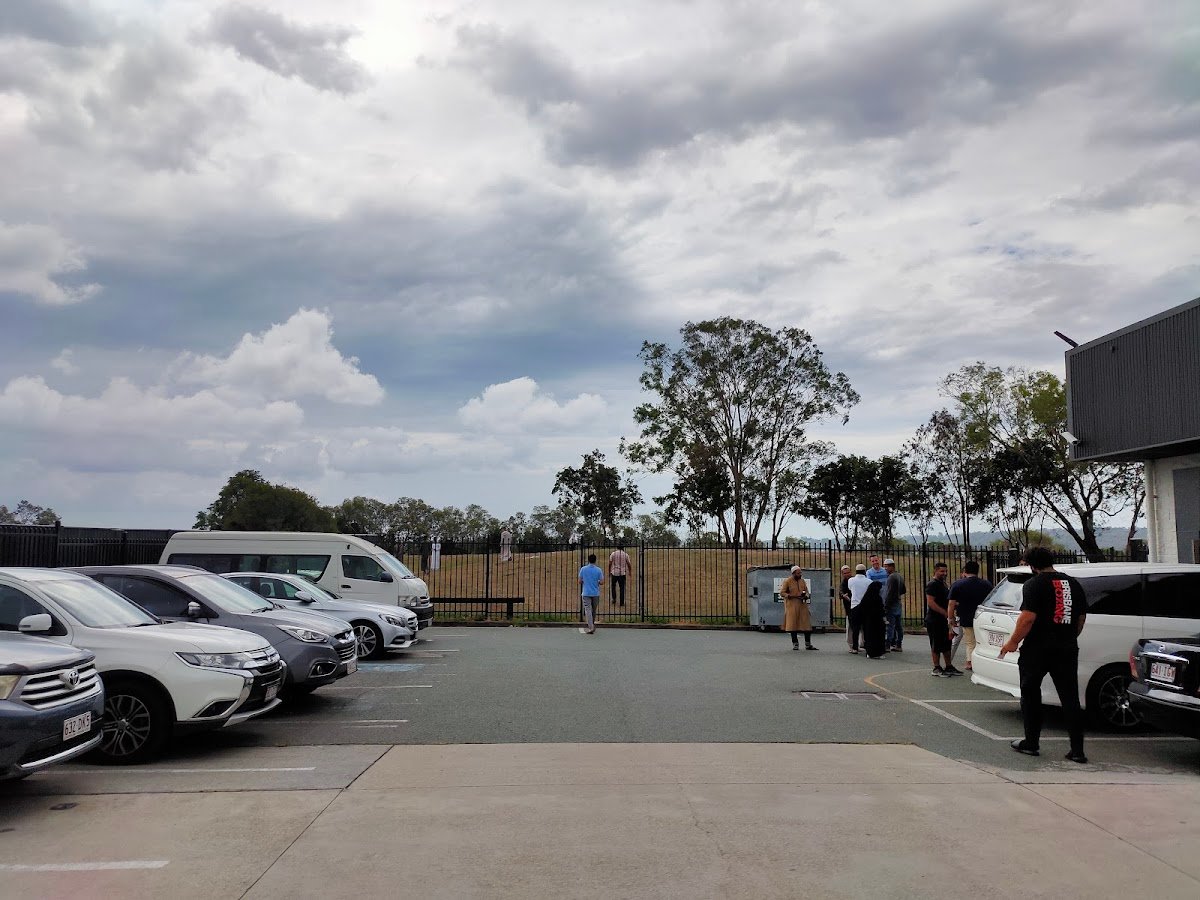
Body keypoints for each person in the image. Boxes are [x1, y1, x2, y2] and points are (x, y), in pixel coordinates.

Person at [1000, 546, 1088, 763]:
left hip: (1037, 648)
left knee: (1030, 694)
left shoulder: (1034, 585)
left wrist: (1012, 642)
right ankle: (1077, 750)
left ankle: (1031, 742)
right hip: (1067, 648)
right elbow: (1080, 618)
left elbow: (1027, 618)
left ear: (1031, 565)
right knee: (1070, 698)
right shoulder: (1073, 583)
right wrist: (1067, 636)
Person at [947, 559, 992, 672]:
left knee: (970, 641)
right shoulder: (986, 584)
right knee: (980, 640)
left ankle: (970, 661)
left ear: (965, 570)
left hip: (966, 616)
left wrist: (950, 618)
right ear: (978, 570)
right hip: (982, 616)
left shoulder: (958, 584)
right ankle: (979, 661)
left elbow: (951, 603)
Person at [925, 562, 961, 676]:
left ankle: (949, 666)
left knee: (947, 643)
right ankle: (936, 667)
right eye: (942, 571)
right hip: (934, 619)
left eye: (946, 571)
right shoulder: (932, 584)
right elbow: (931, 602)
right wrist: (944, 613)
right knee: (936, 643)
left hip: (944, 620)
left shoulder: (944, 584)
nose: (944, 573)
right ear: (935, 571)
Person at [779, 565, 817, 650]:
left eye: (800, 572)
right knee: (793, 626)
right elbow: (782, 592)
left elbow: (806, 592)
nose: (800, 574)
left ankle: (808, 644)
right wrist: (789, 596)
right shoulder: (787, 581)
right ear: (793, 573)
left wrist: (806, 596)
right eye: (798, 573)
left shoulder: (802, 581)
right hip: (792, 606)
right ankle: (795, 644)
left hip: (802, 605)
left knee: (807, 625)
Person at [882, 558, 906, 652]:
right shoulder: (899, 576)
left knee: (890, 626)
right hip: (898, 603)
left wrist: (886, 606)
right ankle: (898, 644)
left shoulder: (891, 577)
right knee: (899, 626)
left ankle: (887, 645)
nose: (885, 569)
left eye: (886, 566)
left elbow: (889, 593)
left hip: (891, 604)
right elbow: (904, 590)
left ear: (891, 566)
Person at [846, 564, 871, 654]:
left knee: (855, 628)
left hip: (854, 606)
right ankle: (867, 646)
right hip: (865, 607)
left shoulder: (851, 580)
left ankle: (855, 648)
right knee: (865, 628)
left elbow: (849, 589)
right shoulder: (869, 581)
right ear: (864, 571)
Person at [860, 580, 887, 658]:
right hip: (878, 621)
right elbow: (881, 609)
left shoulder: (866, 597)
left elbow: (862, 608)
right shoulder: (878, 598)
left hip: (868, 621)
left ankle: (869, 652)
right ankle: (879, 653)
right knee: (879, 637)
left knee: (869, 637)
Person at [578, 553, 604, 635]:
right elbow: (602, 582)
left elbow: (579, 581)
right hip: (595, 593)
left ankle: (591, 626)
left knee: (588, 609)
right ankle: (592, 624)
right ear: (595, 560)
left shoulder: (583, 569)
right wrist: (598, 582)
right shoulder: (598, 570)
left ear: (588, 560)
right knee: (593, 610)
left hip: (586, 592)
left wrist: (584, 581)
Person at [838, 565, 853, 650]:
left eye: (848, 572)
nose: (847, 574)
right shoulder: (843, 583)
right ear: (842, 574)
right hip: (849, 607)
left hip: (858, 606)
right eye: (845, 573)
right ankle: (851, 644)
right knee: (850, 626)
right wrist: (843, 595)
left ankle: (862, 643)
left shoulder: (854, 580)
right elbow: (840, 592)